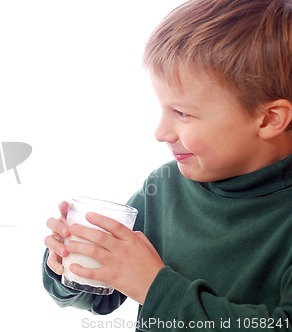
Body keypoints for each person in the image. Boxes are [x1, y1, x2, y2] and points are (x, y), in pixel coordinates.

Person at [42, 0, 292, 330]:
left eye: (182, 113)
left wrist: (154, 288)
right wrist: (70, 266)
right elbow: (104, 295)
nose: (160, 133)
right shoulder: (164, 189)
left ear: (269, 119)